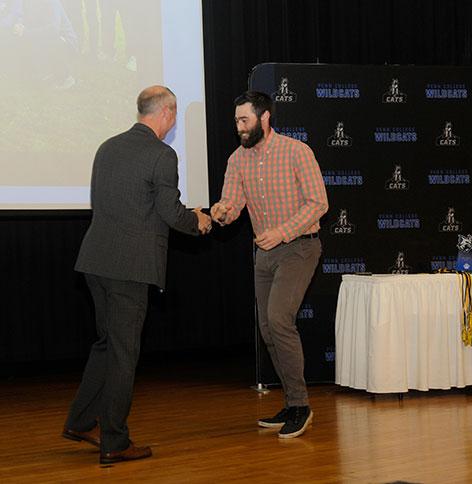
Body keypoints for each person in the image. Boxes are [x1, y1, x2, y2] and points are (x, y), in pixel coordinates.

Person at [62, 85, 212, 464]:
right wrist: (198, 221)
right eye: (174, 115)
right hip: (130, 269)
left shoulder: (107, 146)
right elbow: (170, 212)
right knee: (124, 354)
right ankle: (114, 441)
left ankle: (81, 421)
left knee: (106, 344)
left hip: (95, 261)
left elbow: (122, 204)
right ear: (168, 113)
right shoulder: (162, 154)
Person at [211, 91, 328, 439]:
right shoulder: (238, 159)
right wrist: (222, 212)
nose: (239, 127)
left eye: (244, 120)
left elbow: (317, 203)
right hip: (264, 253)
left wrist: (281, 232)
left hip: (299, 247)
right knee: (267, 327)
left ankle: (302, 406)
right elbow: (232, 203)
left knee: (279, 319)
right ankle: (292, 403)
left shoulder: (296, 151)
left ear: (264, 119)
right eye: (236, 121)